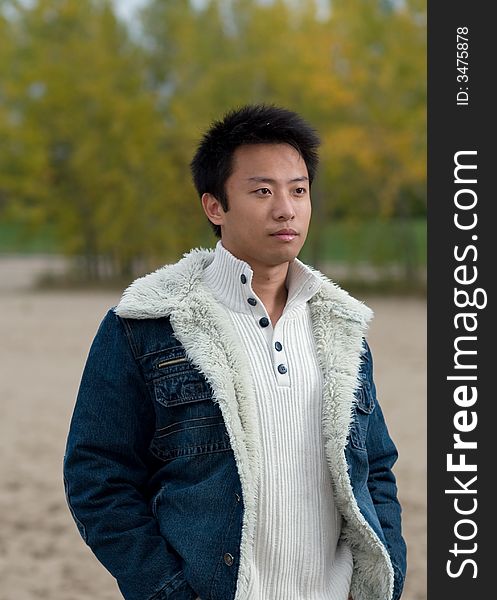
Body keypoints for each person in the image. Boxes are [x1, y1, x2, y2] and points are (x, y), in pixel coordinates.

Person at [63, 104, 406, 600]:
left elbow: (375, 469)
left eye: (299, 189)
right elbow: (98, 478)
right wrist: (169, 591)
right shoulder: (147, 325)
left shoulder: (340, 325)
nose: (286, 208)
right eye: (262, 190)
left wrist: (384, 574)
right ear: (214, 206)